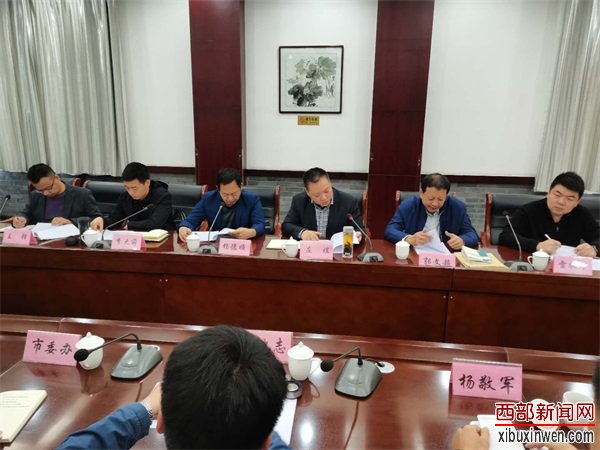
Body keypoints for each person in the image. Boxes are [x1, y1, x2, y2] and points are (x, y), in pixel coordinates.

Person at [57, 325, 290, 450]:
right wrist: (256, 415)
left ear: (161, 422)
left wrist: (142, 411)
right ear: (267, 444)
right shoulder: (267, 440)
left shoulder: (158, 418)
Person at [498, 172, 599, 257]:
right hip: (533, 265)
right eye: (557, 195)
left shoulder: (582, 215)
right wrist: (537, 245)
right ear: (548, 193)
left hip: (567, 268)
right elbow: (505, 236)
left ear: (577, 202)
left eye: (570, 199)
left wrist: (595, 248)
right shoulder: (529, 211)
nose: (561, 202)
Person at [384, 173, 479, 250]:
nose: (435, 204)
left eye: (440, 199)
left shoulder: (457, 207)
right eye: (431, 198)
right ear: (421, 193)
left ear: (446, 196)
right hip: (414, 255)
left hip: (445, 255)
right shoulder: (408, 205)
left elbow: (472, 234)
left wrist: (462, 240)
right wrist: (409, 238)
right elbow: (390, 230)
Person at [178, 168, 265, 241]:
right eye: (225, 194)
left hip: (243, 246)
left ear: (241, 187)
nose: (230, 198)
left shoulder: (251, 200)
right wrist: (184, 228)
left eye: (234, 194)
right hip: (217, 246)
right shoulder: (209, 199)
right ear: (218, 189)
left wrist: (251, 232)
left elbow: (260, 224)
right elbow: (190, 220)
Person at [281, 167, 364, 241]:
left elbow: (360, 229)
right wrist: (303, 233)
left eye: (327, 191)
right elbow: (286, 225)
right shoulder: (299, 201)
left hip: (337, 252)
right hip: (310, 250)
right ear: (308, 192)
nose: (324, 197)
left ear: (330, 184)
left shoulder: (349, 202)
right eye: (317, 195)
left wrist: (358, 234)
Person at [12, 163, 103, 230]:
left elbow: (96, 218)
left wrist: (71, 222)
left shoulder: (82, 194)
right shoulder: (35, 195)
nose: (45, 193)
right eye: (40, 190)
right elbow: (27, 213)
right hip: (41, 241)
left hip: (70, 241)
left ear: (57, 178)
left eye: (48, 188)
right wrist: (22, 218)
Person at [105, 162, 175, 231]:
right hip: (134, 235)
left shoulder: (162, 196)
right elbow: (114, 219)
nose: (131, 193)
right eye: (127, 188)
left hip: (164, 236)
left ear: (147, 183)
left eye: (134, 188)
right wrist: (102, 221)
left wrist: (130, 225)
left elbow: (155, 224)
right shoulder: (125, 196)